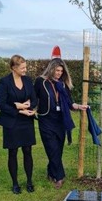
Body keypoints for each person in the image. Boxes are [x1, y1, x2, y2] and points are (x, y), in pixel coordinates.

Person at [34, 58, 88, 189]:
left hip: (60, 120)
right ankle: (59, 176)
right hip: (46, 120)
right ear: (51, 68)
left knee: (58, 149)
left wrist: (78, 106)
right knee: (52, 148)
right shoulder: (41, 82)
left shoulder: (63, 85)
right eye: (57, 70)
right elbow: (33, 98)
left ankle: (51, 171)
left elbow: (69, 102)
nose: (59, 73)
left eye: (61, 71)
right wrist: (30, 109)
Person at [0, 55, 37, 194]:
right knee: (13, 152)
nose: (25, 70)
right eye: (23, 68)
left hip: (26, 121)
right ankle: (15, 183)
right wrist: (17, 108)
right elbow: (0, 104)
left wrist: (30, 106)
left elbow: (34, 99)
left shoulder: (27, 80)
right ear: (14, 68)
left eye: (26, 67)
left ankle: (29, 181)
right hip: (11, 121)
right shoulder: (5, 82)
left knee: (27, 151)